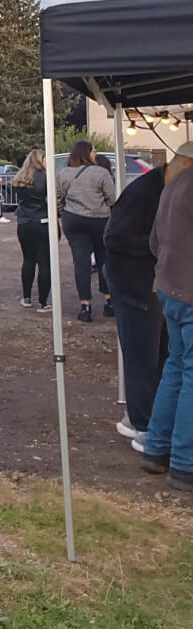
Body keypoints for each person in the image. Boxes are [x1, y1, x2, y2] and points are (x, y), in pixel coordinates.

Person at [106, 143, 189, 448]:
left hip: (160, 285)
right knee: (143, 356)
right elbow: (114, 238)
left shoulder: (167, 187)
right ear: (182, 166)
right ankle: (143, 425)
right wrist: (163, 247)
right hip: (133, 284)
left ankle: (144, 417)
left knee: (164, 354)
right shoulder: (143, 191)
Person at [141, 143, 193, 492]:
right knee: (188, 373)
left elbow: (154, 241)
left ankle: (157, 449)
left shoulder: (173, 182)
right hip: (189, 291)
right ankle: (185, 464)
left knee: (176, 367)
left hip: (171, 288)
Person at [57, 140, 117, 324]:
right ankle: (109, 301)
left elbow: (57, 198)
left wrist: (63, 213)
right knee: (104, 259)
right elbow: (112, 198)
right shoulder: (101, 172)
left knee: (81, 263)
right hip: (99, 220)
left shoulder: (63, 173)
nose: (95, 153)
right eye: (94, 151)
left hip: (74, 220)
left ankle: (85, 306)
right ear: (87, 153)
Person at [11, 151, 53, 313]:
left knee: (28, 260)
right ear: (40, 160)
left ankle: (27, 297)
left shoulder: (19, 179)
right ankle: (43, 302)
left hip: (24, 222)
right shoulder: (45, 177)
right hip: (42, 221)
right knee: (44, 262)